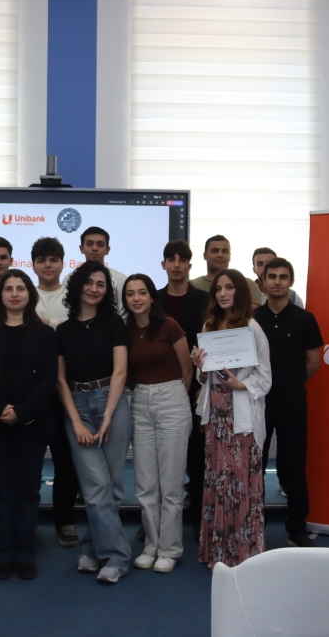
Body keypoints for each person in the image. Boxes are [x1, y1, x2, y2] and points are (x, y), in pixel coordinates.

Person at [0, 270, 58, 580]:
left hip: (32, 423)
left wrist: (21, 411)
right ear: (0, 294)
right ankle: (3, 552)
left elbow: (48, 380)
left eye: (21, 288)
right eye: (9, 288)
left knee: (29, 490)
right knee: (1, 491)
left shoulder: (45, 333)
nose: (15, 294)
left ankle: (25, 551)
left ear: (29, 294)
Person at [56, 261, 132, 584]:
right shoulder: (63, 330)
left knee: (111, 488)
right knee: (95, 486)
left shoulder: (114, 323)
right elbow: (60, 379)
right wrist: (76, 421)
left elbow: (120, 371)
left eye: (101, 284)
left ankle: (90, 547)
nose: (94, 289)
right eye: (89, 282)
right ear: (78, 286)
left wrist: (108, 415)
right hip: (77, 406)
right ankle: (117, 556)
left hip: (111, 401)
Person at [191, 269, 271, 569]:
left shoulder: (252, 328)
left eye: (229, 288)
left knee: (240, 484)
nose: (223, 294)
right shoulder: (209, 326)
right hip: (216, 419)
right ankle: (219, 553)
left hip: (242, 418)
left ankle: (243, 554)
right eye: (218, 289)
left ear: (240, 291)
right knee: (218, 483)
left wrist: (241, 385)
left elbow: (265, 378)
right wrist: (200, 367)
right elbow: (205, 378)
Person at [123, 274, 192, 573]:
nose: (136, 298)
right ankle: (151, 546)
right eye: (130, 294)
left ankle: (170, 549)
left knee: (171, 484)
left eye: (142, 292)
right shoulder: (125, 331)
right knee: (145, 483)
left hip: (172, 398)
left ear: (152, 296)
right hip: (139, 402)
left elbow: (187, 369)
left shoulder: (169, 325)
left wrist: (175, 400)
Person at [253, 257, 322, 547]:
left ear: (291, 282)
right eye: (272, 277)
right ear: (263, 281)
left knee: (293, 468)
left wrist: (292, 382)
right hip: (258, 405)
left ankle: (296, 528)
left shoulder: (305, 319)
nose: (277, 282)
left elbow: (314, 362)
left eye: (283, 277)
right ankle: (254, 527)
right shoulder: (253, 319)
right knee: (254, 467)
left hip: (293, 404)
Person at [157, 240, 209, 538]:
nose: (176, 264)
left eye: (182, 259)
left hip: (197, 386)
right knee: (161, 457)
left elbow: (211, 340)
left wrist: (204, 383)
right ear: (163, 264)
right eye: (171, 259)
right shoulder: (153, 299)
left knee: (198, 456)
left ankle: (199, 517)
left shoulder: (204, 300)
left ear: (190, 265)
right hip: (160, 385)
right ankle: (158, 520)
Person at [31, 237, 78, 547]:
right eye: (42, 260)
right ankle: (28, 521)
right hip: (32, 391)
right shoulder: (25, 293)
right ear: (33, 264)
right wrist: (56, 325)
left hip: (66, 390)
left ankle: (64, 521)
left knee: (66, 461)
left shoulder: (73, 296)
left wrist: (47, 324)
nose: (48, 265)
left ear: (62, 263)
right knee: (30, 461)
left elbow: (74, 333)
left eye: (53, 259)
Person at [63, 227, 126, 312]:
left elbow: (123, 314)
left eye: (100, 244)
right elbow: (66, 310)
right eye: (89, 244)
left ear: (107, 250)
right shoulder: (69, 279)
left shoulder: (120, 280)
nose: (95, 248)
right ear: (82, 248)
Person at [189, 235, 262, 307]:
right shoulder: (193, 285)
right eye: (215, 251)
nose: (220, 255)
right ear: (205, 256)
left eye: (225, 251)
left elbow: (251, 312)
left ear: (230, 256)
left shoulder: (248, 285)